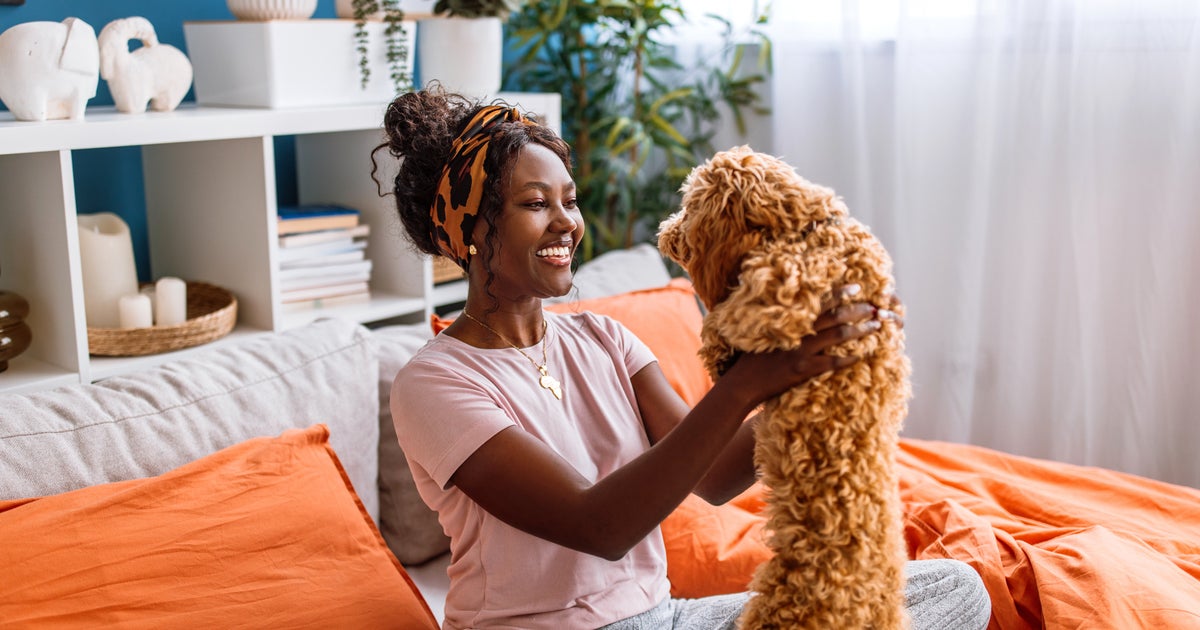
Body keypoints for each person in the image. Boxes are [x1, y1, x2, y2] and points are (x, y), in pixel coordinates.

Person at [379, 87, 991, 630]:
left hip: (663, 617)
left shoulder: (603, 339)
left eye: (570, 200)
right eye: (536, 204)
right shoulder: (434, 383)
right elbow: (599, 527)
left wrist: (820, 372)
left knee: (955, 589)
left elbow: (716, 477)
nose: (566, 223)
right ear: (469, 230)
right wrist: (748, 383)